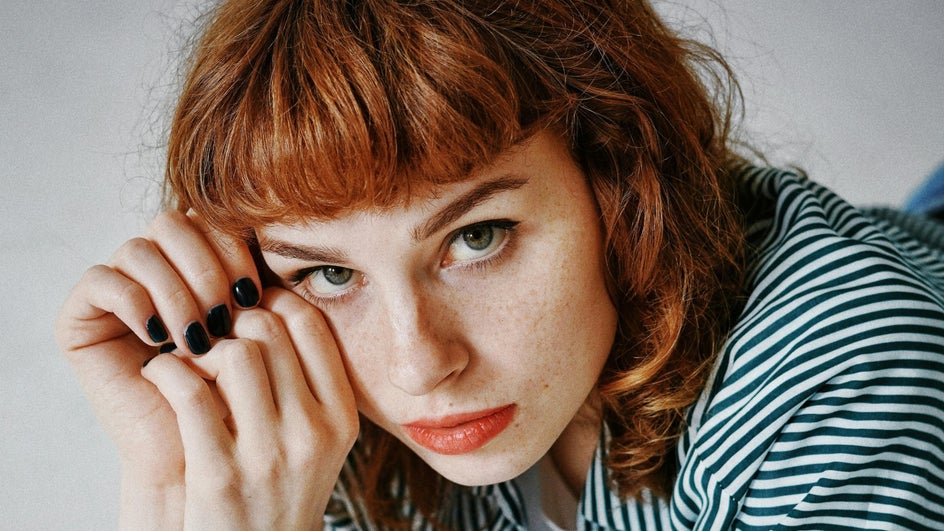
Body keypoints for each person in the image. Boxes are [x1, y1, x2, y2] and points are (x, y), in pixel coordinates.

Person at [56, 0, 944, 529]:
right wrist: (179, 475)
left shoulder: (845, 375)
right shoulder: (319, 397)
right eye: (329, 273)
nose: (419, 364)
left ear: (620, 172)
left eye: (477, 237)